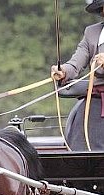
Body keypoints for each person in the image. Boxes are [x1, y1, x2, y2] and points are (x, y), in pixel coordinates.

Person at [51, 0, 104, 150]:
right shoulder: (92, 33)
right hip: (97, 99)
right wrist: (63, 71)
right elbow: (76, 62)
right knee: (80, 125)